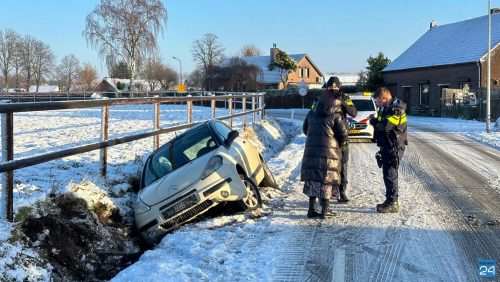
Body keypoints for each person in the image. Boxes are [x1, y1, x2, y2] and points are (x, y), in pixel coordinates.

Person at [301, 85, 348, 219]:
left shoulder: (311, 113)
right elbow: (343, 134)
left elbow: (305, 130)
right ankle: (325, 210)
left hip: (311, 151)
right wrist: (337, 144)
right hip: (330, 153)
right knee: (327, 179)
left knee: (312, 179)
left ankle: (311, 209)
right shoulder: (335, 114)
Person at [368, 87, 408, 213]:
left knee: (391, 174)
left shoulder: (396, 109)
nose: (377, 104)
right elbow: (381, 122)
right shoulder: (386, 108)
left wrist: (374, 122)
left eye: (378, 101)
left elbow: (385, 126)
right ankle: (389, 199)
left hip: (394, 146)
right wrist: (375, 120)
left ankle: (393, 203)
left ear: (384, 98)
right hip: (387, 145)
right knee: (387, 174)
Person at [324, 77, 358, 204]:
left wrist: (342, 102)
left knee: (343, 166)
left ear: (339, 88)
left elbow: (354, 112)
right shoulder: (321, 97)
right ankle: (326, 192)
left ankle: (342, 191)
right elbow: (314, 111)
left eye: (335, 88)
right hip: (327, 138)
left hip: (342, 137)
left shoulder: (345, 97)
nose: (333, 90)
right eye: (330, 88)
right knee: (328, 166)